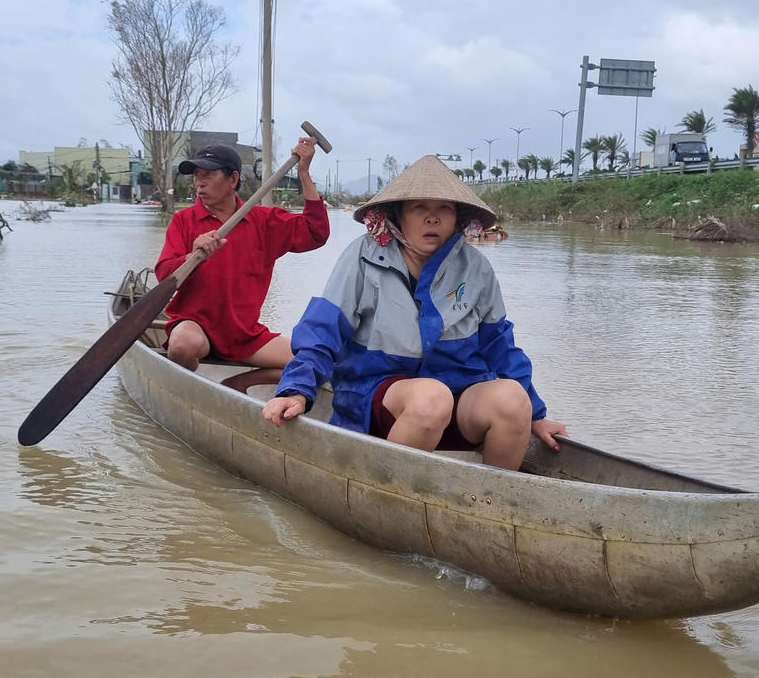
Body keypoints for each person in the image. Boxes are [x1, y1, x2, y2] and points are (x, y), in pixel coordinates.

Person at [262, 155, 566, 471]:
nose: (432, 219)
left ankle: (488, 497)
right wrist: (296, 390)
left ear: (457, 218)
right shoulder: (363, 257)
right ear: (399, 216)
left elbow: (500, 344)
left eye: (443, 209)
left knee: (513, 400)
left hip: (458, 397)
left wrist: (536, 415)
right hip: (377, 395)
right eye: (420, 208)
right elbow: (323, 330)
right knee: (431, 399)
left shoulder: (475, 267)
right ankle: (380, 489)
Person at [154, 138, 329, 370]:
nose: (199, 183)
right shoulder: (183, 220)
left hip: (243, 335)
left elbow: (316, 233)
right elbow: (164, 275)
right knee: (182, 344)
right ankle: (189, 382)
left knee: (316, 362)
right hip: (195, 327)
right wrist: (191, 256)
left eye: (208, 175)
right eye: (196, 175)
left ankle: (242, 381)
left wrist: (303, 173)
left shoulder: (264, 222)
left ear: (233, 179)